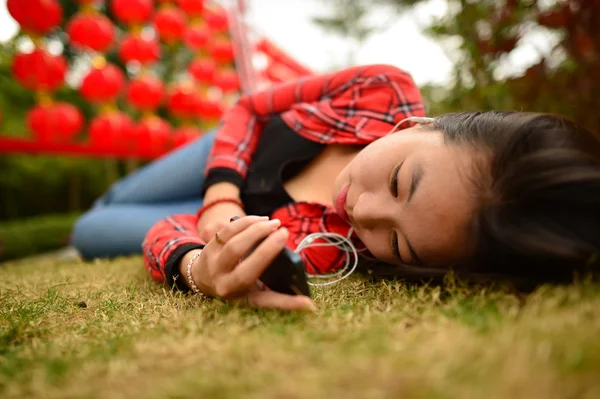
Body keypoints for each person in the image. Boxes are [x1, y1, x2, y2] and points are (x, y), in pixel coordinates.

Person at [72, 64, 600, 311]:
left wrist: (196, 267)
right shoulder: (380, 88)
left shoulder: (331, 248)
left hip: (203, 215)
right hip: (230, 149)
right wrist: (222, 193)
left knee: (90, 229)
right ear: (420, 126)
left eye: (396, 242)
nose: (362, 211)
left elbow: (176, 233)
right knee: (116, 201)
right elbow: (251, 108)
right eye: (399, 182)